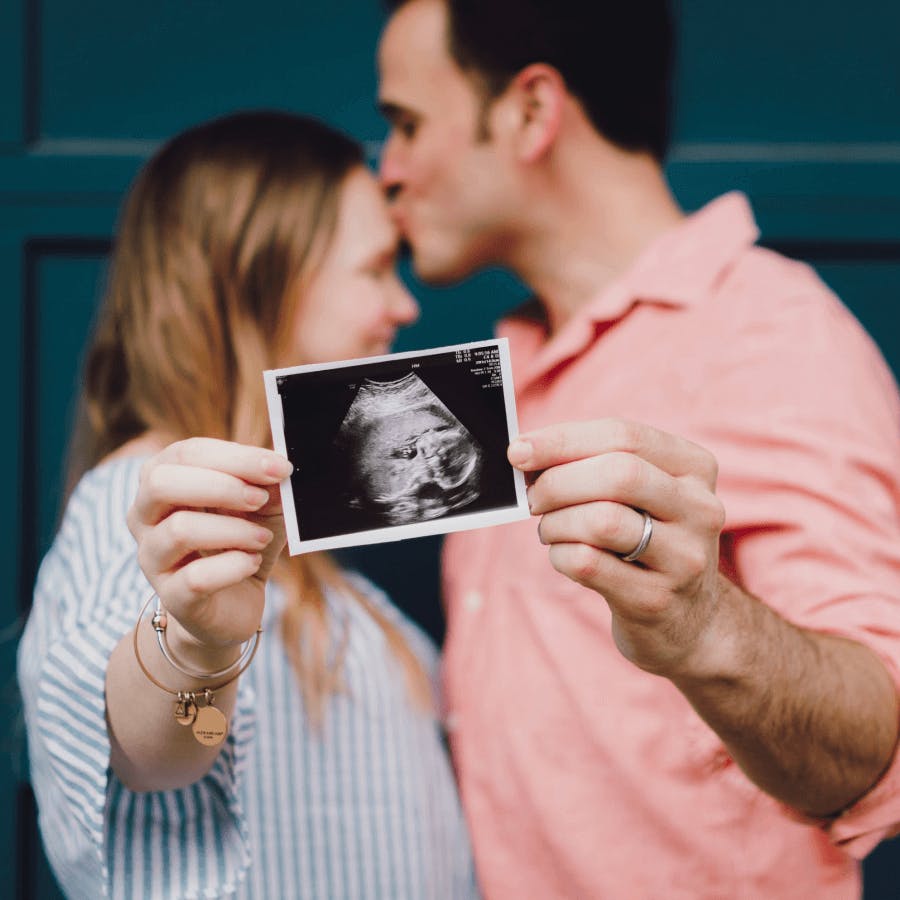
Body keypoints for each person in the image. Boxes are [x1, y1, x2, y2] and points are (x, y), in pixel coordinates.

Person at [376, 1, 900, 897]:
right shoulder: (504, 371)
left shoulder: (769, 335)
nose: (387, 171)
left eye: (407, 124)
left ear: (532, 112)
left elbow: (871, 752)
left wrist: (699, 623)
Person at [17, 110, 477, 899]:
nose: (403, 307)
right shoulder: (147, 510)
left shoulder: (293, 547)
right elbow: (154, 754)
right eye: (373, 269)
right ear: (258, 280)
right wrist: (196, 648)